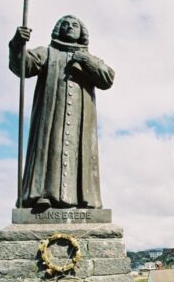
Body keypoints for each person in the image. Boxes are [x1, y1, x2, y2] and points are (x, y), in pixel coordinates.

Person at [9, 15, 115, 209]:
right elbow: (23, 66)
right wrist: (17, 44)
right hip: (50, 117)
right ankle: (42, 196)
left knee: (79, 156)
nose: (69, 27)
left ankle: (83, 200)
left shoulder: (88, 58)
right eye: (65, 24)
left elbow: (107, 78)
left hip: (81, 124)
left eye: (75, 25)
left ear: (82, 32)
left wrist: (85, 59)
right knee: (51, 150)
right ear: (58, 29)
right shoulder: (47, 52)